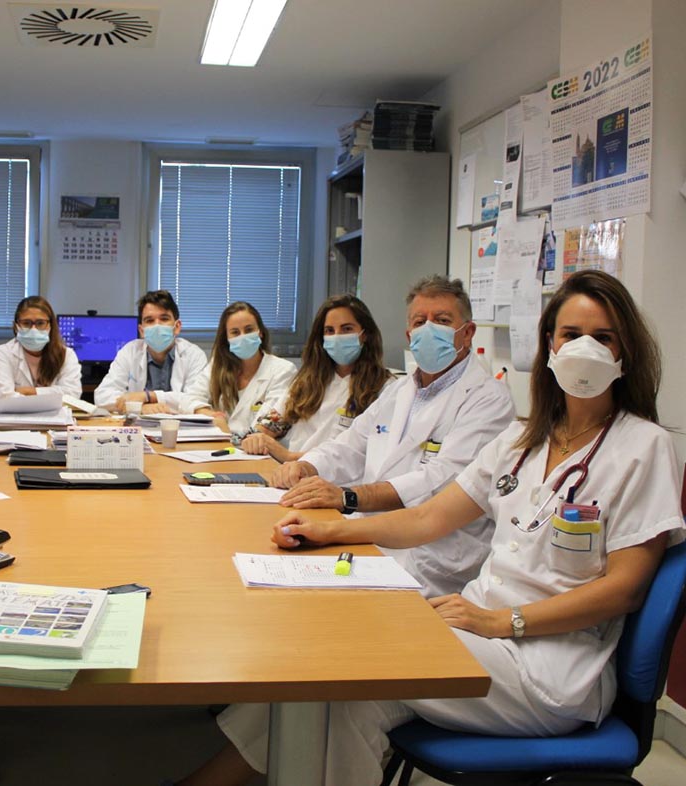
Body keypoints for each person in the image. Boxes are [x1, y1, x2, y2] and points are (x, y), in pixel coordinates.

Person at [179, 269, 685, 786]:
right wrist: (329, 529)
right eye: (571, 335)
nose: (584, 350)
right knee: (336, 697)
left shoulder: (643, 446)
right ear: (549, 345)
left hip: (550, 664)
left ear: (626, 352)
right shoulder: (521, 441)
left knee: (336, 660)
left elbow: (625, 589)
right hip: (476, 626)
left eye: (602, 338)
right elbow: (430, 516)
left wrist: (503, 621)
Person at [271, 275, 514, 597]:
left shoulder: (489, 399)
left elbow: (441, 482)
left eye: (442, 321)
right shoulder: (400, 390)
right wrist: (308, 466)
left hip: (432, 555)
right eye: (420, 321)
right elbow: (352, 444)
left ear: (467, 333)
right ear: (409, 334)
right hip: (368, 534)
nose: (429, 329)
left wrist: (348, 496)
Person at [240, 295, 395, 463]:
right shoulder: (307, 381)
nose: (337, 337)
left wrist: (289, 457)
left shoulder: (384, 388)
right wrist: (258, 437)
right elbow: (272, 422)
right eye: (329, 331)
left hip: (336, 482)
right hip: (289, 473)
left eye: (347, 329)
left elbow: (362, 456)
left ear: (364, 334)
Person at [184, 301, 297, 441]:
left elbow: (267, 426)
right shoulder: (217, 366)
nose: (242, 336)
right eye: (235, 332)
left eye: (249, 330)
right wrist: (205, 412)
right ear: (227, 338)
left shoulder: (283, 370)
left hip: (262, 454)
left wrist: (223, 429)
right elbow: (189, 398)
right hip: (218, 448)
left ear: (260, 332)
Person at [94, 289, 208, 414]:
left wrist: (147, 396)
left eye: (164, 319)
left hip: (180, 428)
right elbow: (102, 395)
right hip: (138, 427)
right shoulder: (130, 351)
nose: (157, 326)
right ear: (141, 330)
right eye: (149, 320)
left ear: (177, 327)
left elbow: (196, 399)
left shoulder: (194, 355)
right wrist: (140, 408)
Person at [0, 295, 83, 405]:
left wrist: (30, 391)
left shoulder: (67, 355)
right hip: (14, 419)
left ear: (50, 325)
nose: (33, 329)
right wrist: (52, 396)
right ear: (16, 326)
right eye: (26, 323)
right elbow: (4, 399)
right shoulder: (2, 354)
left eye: (40, 323)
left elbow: (72, 395)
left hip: (55, 420)